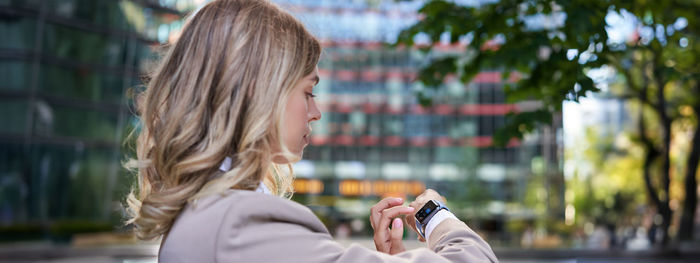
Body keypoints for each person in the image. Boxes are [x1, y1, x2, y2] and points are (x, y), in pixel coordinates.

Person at [124, 0, 497, 262]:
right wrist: (436, 218)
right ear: (259, 91)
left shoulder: (207, 212)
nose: (316, 112)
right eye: (308, 91)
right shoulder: (243, 223)